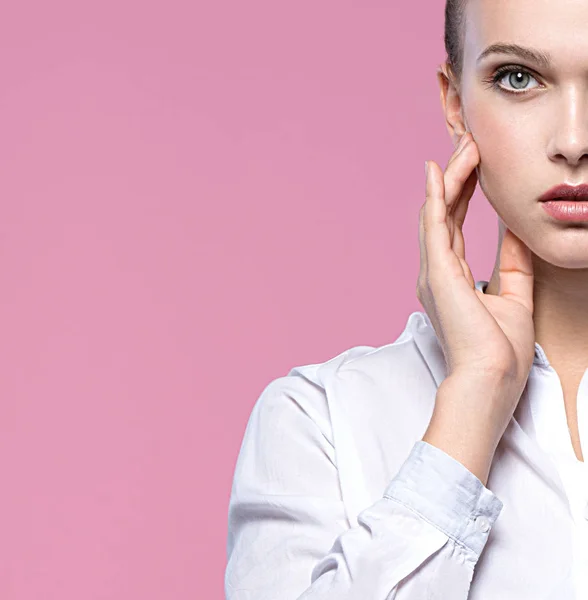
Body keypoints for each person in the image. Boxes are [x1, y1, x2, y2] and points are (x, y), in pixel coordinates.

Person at [225, 0, 588, 597]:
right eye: (518, 78)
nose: (573, 141)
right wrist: (474, 399)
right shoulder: (321, 423)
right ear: (455, 104)